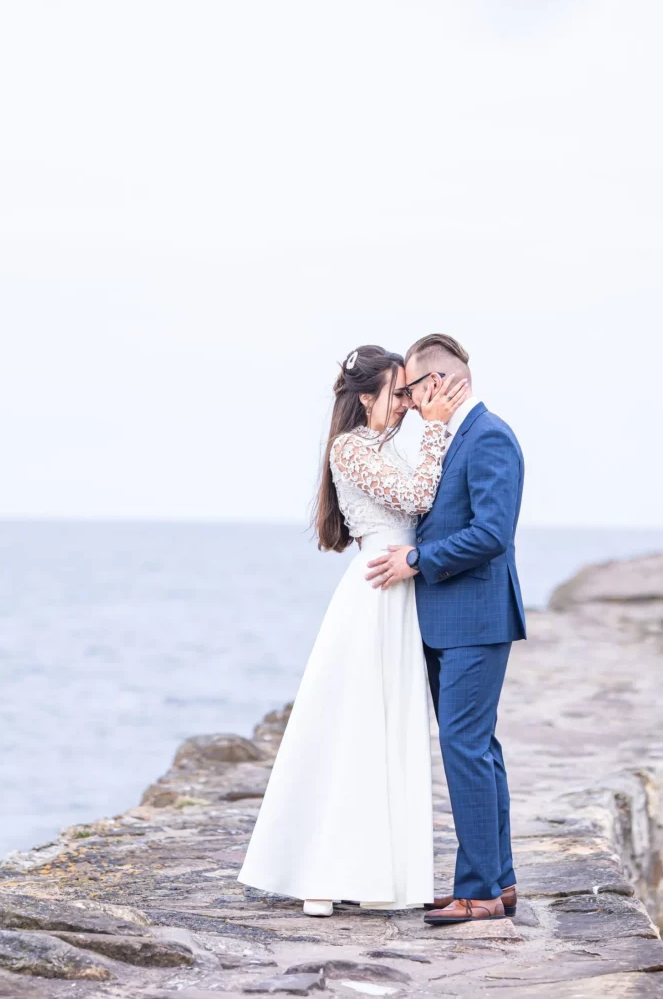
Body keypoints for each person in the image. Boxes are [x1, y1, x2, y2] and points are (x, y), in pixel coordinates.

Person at [237, 344, 468, 915]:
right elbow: (417, 497)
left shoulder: (390, 444)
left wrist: (428, 426)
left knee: (388, 733)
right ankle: (324, 869)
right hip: (372, 595)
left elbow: (423, 503)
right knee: (354, 729)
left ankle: (376, 873)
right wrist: (437, 429)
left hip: (400, 591)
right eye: (398, 393)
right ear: (366, 398)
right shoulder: (349, 448)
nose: (408, 404)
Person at [366, 333, 526, 925]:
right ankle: (499, 882)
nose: (405, 401)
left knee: (464, 748)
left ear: (435, 384)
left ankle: (479, 890)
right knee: (479, 749)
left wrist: (416, 560)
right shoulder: (457, 438)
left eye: (408, 389)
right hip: (449, 621)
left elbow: (492, 534)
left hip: (475, 619)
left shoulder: (489, 436)